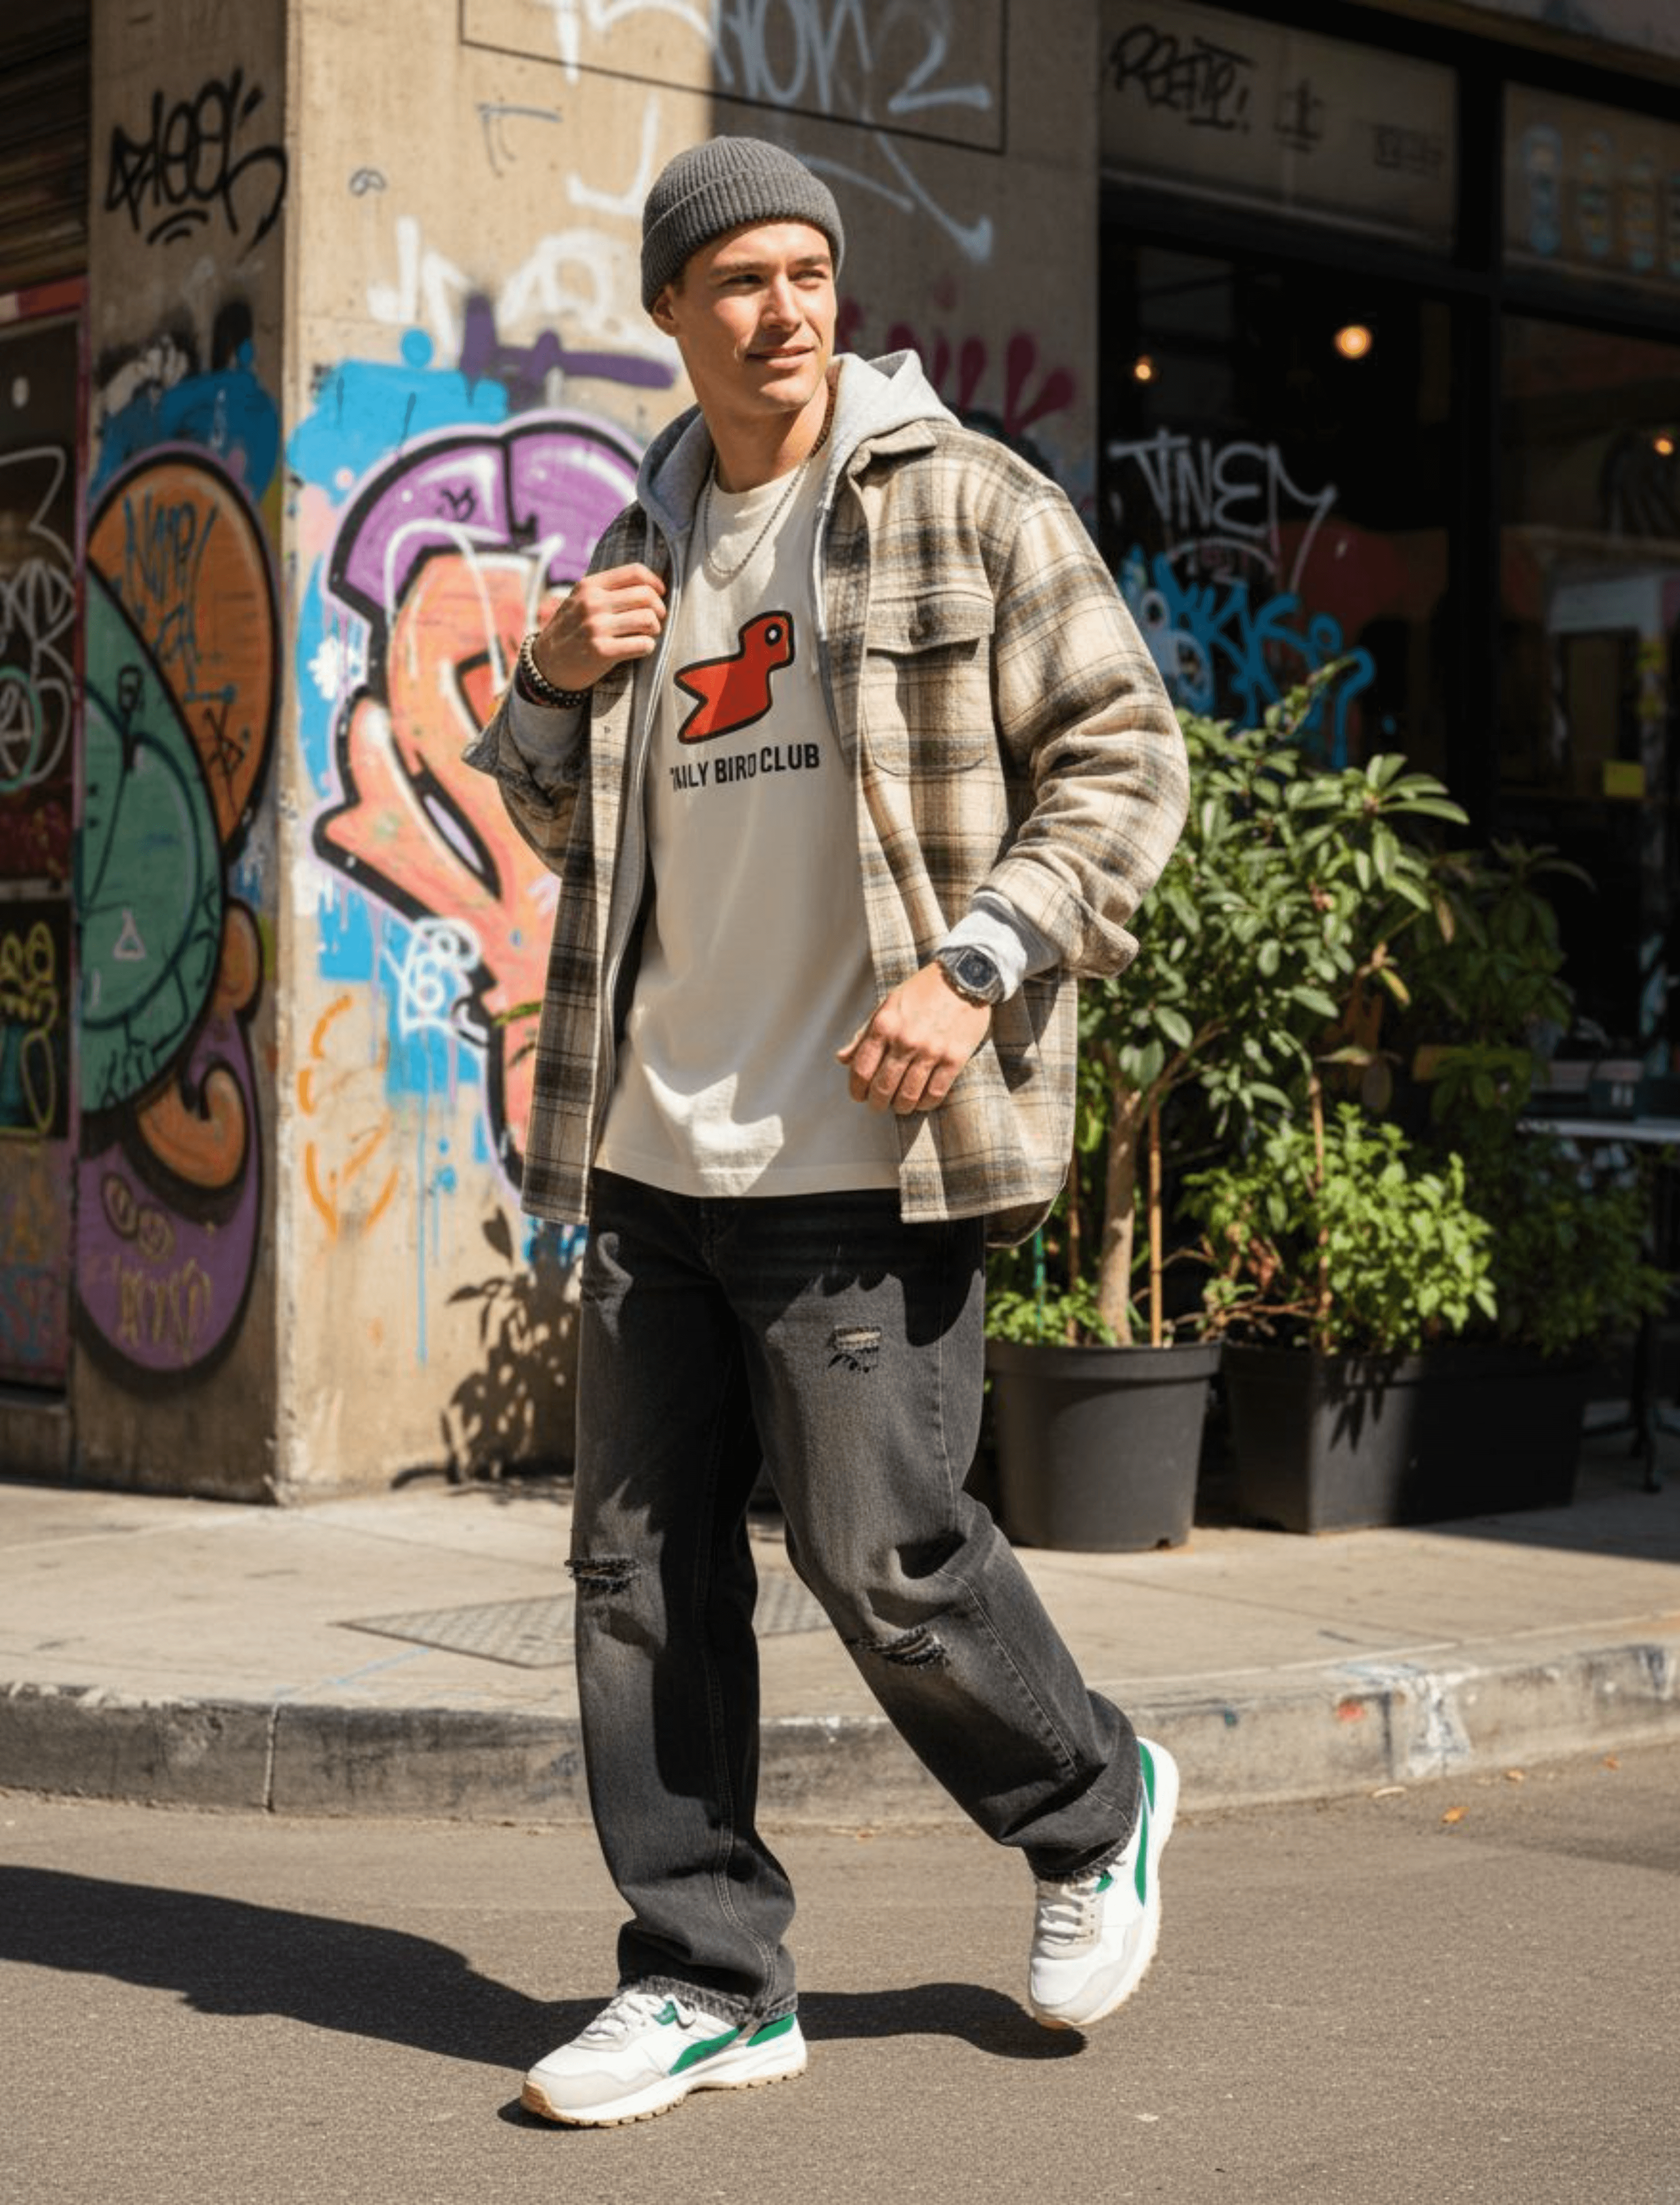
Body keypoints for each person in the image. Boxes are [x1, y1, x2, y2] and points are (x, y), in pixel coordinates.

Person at [465, 135, 1191, 2129]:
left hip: (864, 1154)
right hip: (648, 1155)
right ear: (672, 312)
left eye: (808, 272)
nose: (783, 309)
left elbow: (1129, 759)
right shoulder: (642, 536)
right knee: (640, 1579)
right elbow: (553, 814)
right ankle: (709, 1971)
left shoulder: (959, 500)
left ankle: (1093, 1801)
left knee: (887, 1556)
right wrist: (547, 678)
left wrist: (975, 963)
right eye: (739, 280)